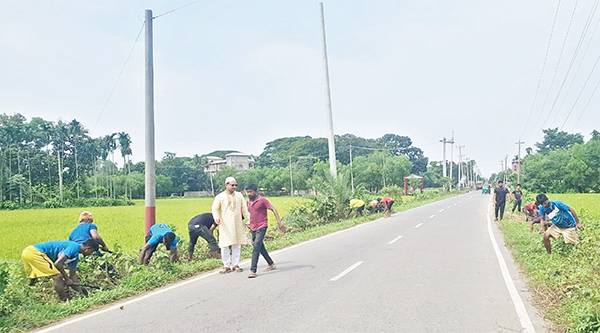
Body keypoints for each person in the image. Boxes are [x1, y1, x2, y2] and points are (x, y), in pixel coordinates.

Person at [22, 239, 99, 301]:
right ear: (88, 249)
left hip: (27, 252)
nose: (91, 254)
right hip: (34, 252)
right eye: (92, 252)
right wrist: (66, 278)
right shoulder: (74, 247)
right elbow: (58, 264)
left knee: (33, 278)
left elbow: (73, 276)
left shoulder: (75, 257)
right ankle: (64, 300)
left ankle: (27, 296)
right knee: (58, 277)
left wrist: (80, 293)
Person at [245, 184, 285, 278]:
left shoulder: (262, 200)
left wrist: (279, 222)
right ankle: (271, 264)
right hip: (252, 227)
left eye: (251, 192)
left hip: (262, 225)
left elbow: (273, 209)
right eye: (248, 192)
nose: (249, 194)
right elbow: (245, 214)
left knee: (256, 246)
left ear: (255, 192)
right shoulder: (248, 202)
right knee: (260, 246)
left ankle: (253, 270)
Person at [212, 177, 250, 274]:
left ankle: (235, 264)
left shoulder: (239, 196)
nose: (234, 187)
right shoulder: (220, 197)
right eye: (232, 185)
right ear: (226, 185)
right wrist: (216, 217)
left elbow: (244, 209)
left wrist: (248, 220)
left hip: (237, 223)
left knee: (237, 244)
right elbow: (215, 208)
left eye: (236, 185)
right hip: (225, 224)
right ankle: (226, 265)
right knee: (225, 245)